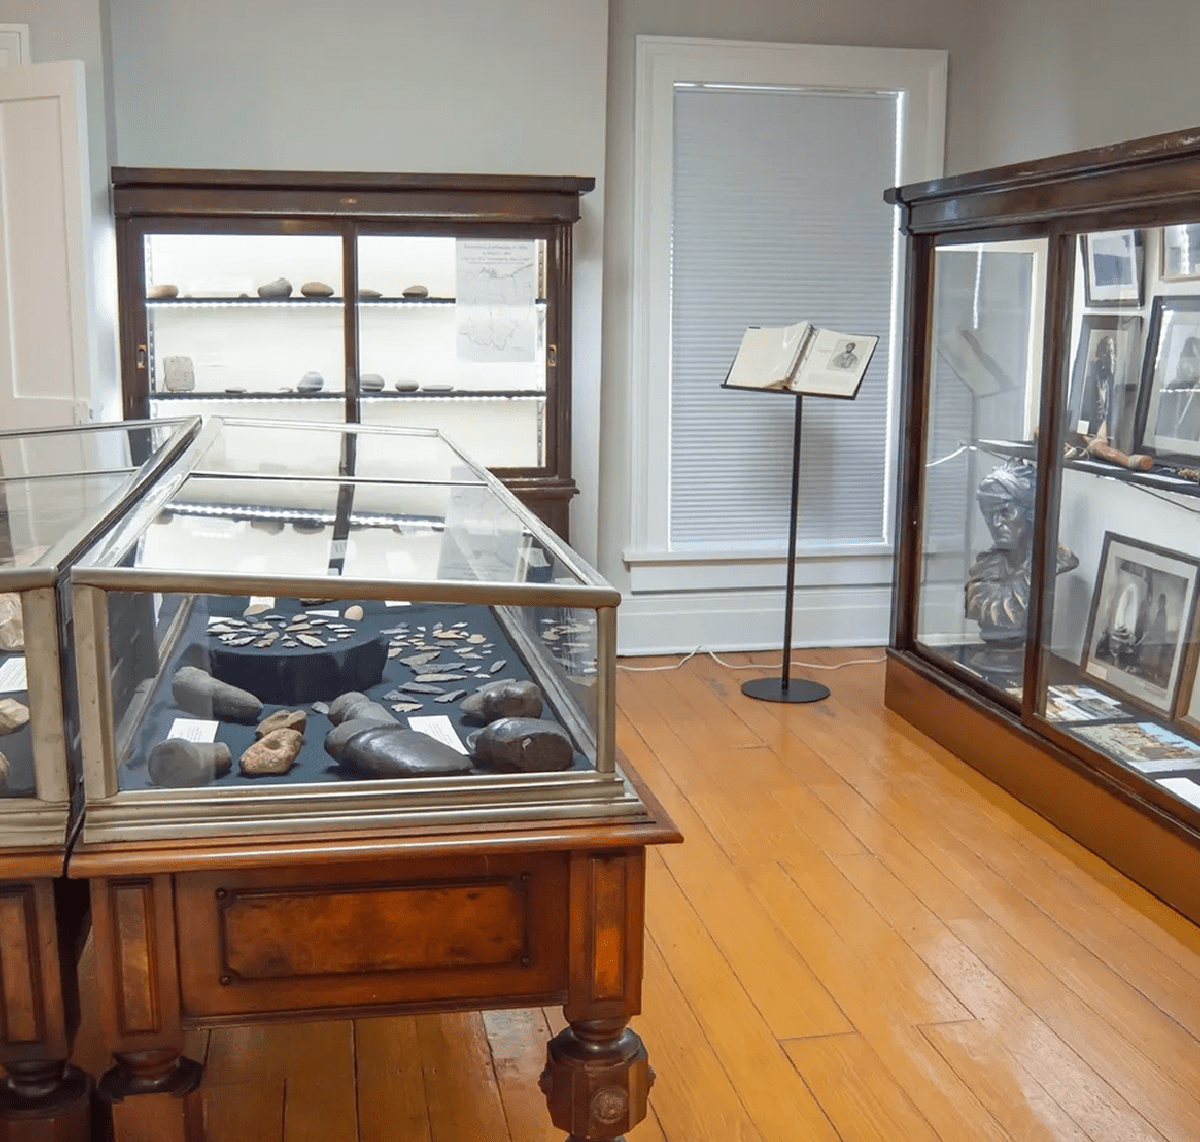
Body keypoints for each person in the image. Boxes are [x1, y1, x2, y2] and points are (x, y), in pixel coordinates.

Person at [965, 458, 1079, 642]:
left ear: (1030, 511)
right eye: (988, 513)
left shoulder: (1055, 560)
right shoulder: (984, 568)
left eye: (1005, 512)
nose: (995, 524)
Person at [1082, 335, 1115, 438]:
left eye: (1112, 353)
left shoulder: (1111, 384)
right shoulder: (1089, 382)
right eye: (1107, 353)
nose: (1111, 358)